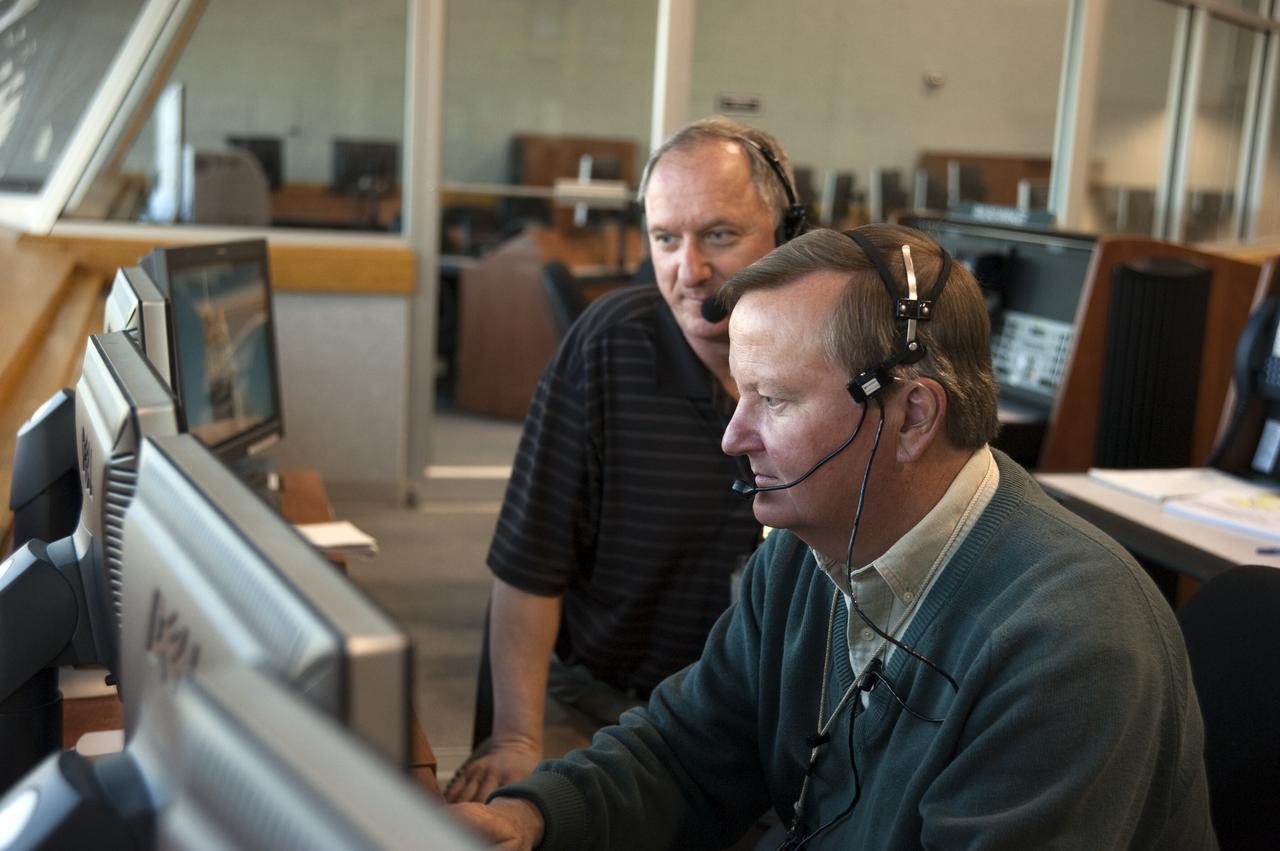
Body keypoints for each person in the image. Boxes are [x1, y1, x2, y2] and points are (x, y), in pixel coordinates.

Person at [452, 224, 1216, 849]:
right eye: (738, 391)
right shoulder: (801, 551)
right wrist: (529, 819)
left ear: (913, 415)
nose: (732, 435)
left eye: (774, 400)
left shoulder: (1069, 649)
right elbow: (690, 751)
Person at [445, 118, 805, 803]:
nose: (688, 270)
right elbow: (530, 561)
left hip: (771, 723)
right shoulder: (611, 346)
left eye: (720, 235)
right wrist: (516, 738)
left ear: (787, 235)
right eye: (666, 238)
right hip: (612, 710)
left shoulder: (832, 358)